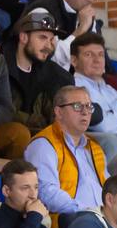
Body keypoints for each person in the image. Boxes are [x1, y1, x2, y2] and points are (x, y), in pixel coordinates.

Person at [25, 85, 108, 225]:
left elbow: (108, 186)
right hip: (70, 222)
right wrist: (88, 212)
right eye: (77, 106)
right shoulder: (44, 144)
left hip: (103, 219)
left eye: (89, 106)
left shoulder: (94, 147)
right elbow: (46, 192)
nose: (85, 112)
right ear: (59, 112)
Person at [9, 9, 77, 140]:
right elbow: (3, 112)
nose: (48, 45)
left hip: (44, 139)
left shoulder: (57, 76)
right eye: (42, 38)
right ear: (23, 37)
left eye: (51, 39)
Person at [75, 34, 117, 140]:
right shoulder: (77, 89)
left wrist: (116, 115)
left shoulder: (107, 88)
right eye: (89, 55)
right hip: (114, 141)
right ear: (74, 61)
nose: (97, 60)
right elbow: (105, 127)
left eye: (101, 55)